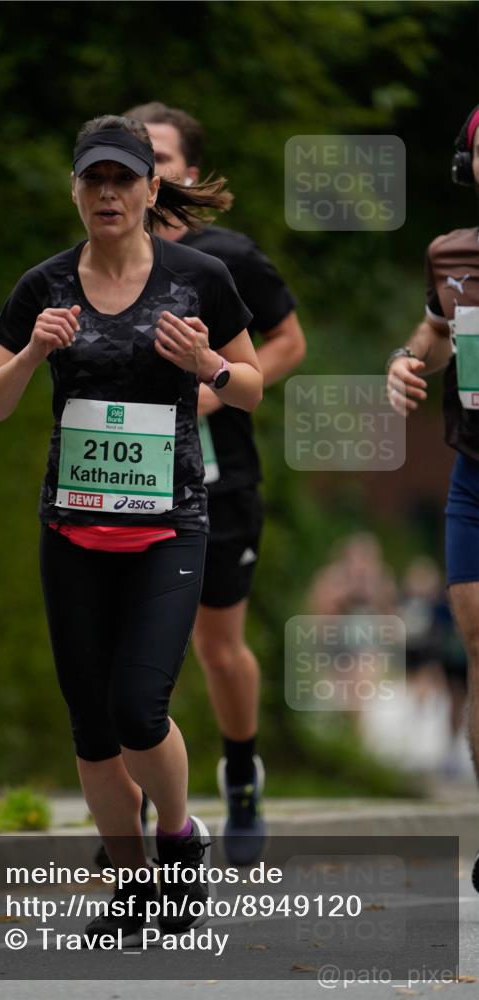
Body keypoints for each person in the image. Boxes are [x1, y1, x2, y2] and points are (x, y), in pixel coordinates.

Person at [0, 114, 263, 943]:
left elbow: (248, 388)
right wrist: (30, 355)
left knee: (139, 707)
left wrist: (206, 363)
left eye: (123, 179)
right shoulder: (43, 287)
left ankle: (178, 837)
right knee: (93, 731)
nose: (107, 193)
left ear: (150, 189)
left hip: (169, 526)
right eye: (93, 179)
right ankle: (133, 887)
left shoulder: (198, 277)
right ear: (74, 190)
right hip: (71, 532)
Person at [124, 101, 306, 864]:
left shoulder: (226, 257)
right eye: (135, 156)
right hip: (130, 476)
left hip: (218, 474)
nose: (147, 170)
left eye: (160, 157)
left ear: (188, 171)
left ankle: (239, 773)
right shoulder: (103, 254)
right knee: (122, 641)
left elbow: (288, 341)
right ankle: (130, 812)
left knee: (216, 646)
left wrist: (220, 382)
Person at [386, 104, 479, 894]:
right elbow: (433, 336)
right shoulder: (448, 255)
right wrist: (405, 363)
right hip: (474, 472)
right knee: (477, 640)